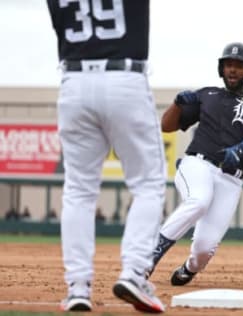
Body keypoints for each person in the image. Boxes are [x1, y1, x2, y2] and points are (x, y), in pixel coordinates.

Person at [47, 1, 167, 313]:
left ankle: (77, 288)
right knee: (148, 184)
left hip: (73, 82)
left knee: (78, 190)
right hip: (123, 79)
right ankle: (134, 272)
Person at [147, 42, 243, 286]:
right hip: (198, 165)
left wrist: (240, 150)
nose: (233, 70)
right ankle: (148, 257)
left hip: (231, 178)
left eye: (239, 65)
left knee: (204, 250)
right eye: (228, 65)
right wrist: (177, 103)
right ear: (221, 69)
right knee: (199, 200)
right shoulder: (207, 95)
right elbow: (166, 126)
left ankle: (189, 267)